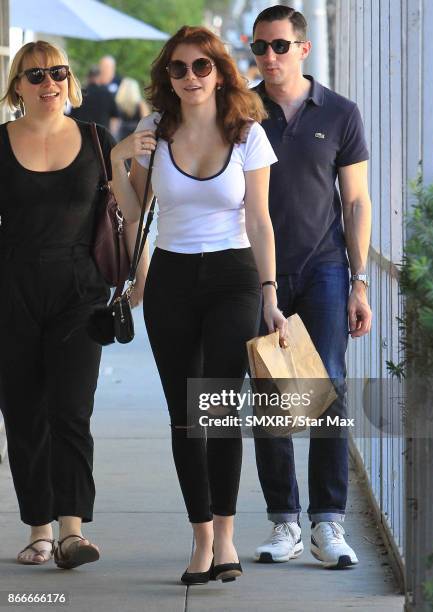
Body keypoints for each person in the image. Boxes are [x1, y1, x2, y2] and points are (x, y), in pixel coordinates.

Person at [110, 25, 287, 584]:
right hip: (172, 276)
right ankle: (202, 538)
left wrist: (269, 294)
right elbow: (134, 210)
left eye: (201, 67)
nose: (190, 77)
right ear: (168, 76)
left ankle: (227, 534)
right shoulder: (152, 130)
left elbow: (259, 220)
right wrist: (118, 160)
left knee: (216, 404)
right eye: (179, 68)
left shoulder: (247, 133)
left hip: (233, 275)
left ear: (220, 70)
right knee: (186, 417)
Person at [0, 40, 143, 569]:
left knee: (71, 410)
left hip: (80, 292)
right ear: (17, 85)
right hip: (11, 289)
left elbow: (125, 210)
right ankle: (38, 530)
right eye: (35, 75)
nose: (48, 83)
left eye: (57, 73)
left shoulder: (96, 139)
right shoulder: (0, 142)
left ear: (69, 81)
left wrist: (138, 274)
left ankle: (71, 531)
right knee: (23, 412)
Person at [249, 6, 372, 569]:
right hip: (257, 271)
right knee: (271, 395)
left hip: (325, 268)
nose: (268, 57)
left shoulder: (342, 113)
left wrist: (360, 281)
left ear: (303, 49)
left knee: (330, 390)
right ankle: (285, 523)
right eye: (259, 47)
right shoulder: (242, 111)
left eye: (278, 46)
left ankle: (328, 522)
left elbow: (356, 200)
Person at [69, 66, 120, 133]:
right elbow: (115, 117)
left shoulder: (80, 93)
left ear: (88, 77)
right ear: (99, 77)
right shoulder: (107, 94)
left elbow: (72, 116)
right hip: (101, 135)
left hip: (82, 133)